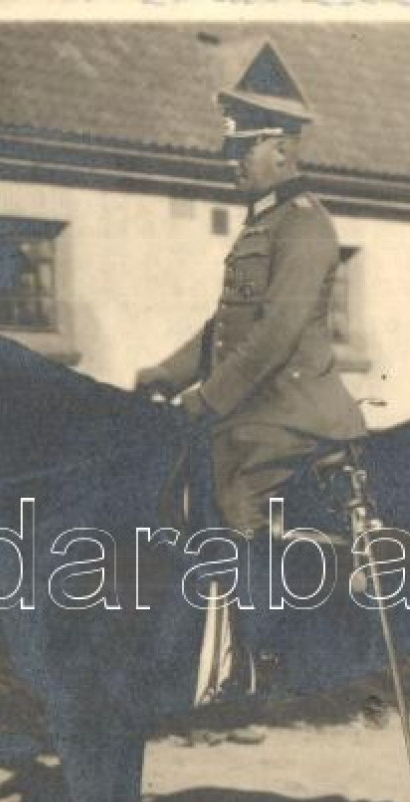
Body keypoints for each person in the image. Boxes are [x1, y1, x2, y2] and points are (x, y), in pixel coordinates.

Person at [136, 78, 365, 536]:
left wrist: (205, 398)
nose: (229, 159)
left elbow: (276, 333)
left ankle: (266, 608)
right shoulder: (264, 223)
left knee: (235, 492)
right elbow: (228, 326)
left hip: (294, 416)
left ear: (280, 150)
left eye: (242, 147)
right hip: (257, 412)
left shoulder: (304, 225)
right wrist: (167, 374)